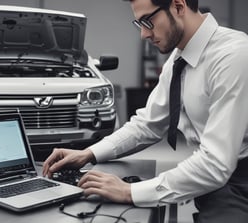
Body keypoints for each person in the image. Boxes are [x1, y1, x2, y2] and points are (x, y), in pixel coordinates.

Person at [43, 0, 248, 222]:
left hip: (239, 182)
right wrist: (88, 153)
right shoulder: (179, 58)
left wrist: (129, 192)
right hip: (214, 175)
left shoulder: (233, 56)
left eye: (147, 21)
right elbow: (148, 124)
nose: (143, 34)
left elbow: (216, 164)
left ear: (178, 7)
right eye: (138, 23)